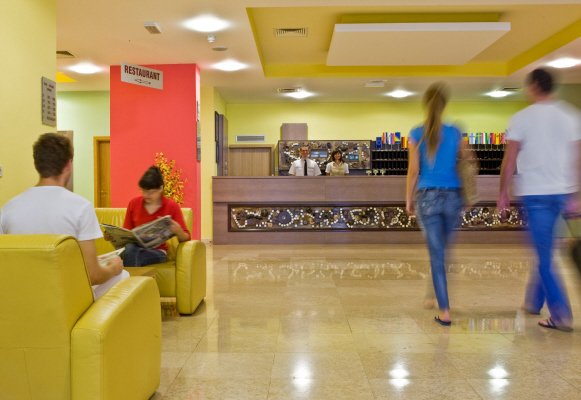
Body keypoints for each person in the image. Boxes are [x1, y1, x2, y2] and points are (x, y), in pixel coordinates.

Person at [498, 68, 581, 332]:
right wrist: (576, 195)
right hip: (562, 192)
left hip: (535, 194)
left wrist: (503, 194)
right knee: (544, 247)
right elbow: (577, 158)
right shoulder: (570, 115)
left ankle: (560, 314)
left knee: (544, 256)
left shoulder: (522, 118)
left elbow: (509, 160)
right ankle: (533, 302)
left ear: (534, 86)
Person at [0, 133, 126, 299]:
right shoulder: (80, 207)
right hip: (65, 300)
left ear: (37, 164)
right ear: (68, 164)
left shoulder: (8, 209)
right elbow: (93, 275)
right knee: (122, 276)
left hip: (22, 296)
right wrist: (113, 268)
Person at [406, 82, 470, 326]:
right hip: (453, 197)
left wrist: (408, 199)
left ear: (425, 104)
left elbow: (413, 171)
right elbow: (468, 161)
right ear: (445, 105)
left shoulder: (416, 133)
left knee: (436, 254)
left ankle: (444, 310)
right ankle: (433, 295)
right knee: (443, 250)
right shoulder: (456, 132)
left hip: (428, 197)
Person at [120, 166, 191, 266]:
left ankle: (128, 274)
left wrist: (178, 231)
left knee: (131, 254)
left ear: (160, 188)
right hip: (135, 249)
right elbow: (126, 232)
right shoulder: (134, 203)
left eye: (151, 192)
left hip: (157, 252)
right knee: (130, 249)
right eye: (143, 191)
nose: (146, 195)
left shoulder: (171, 206)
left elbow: (186, 238)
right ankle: (135, 274)